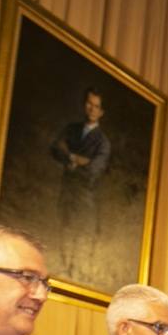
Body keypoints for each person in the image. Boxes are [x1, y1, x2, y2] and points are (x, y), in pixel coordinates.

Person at [50, 87, 112, 277]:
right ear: (84, 105)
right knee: (64, 228)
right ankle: (62, 268)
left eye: (96, 106)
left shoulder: (103, 142)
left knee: (80, 233)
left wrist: (73, 162)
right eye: (89, 104)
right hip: (67, 191)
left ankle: (74, 271)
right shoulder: (72, 129)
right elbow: (55, 148)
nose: (92, 109)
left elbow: (94, 170)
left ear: (101, 112)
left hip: (85, 196)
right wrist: (73, 157)